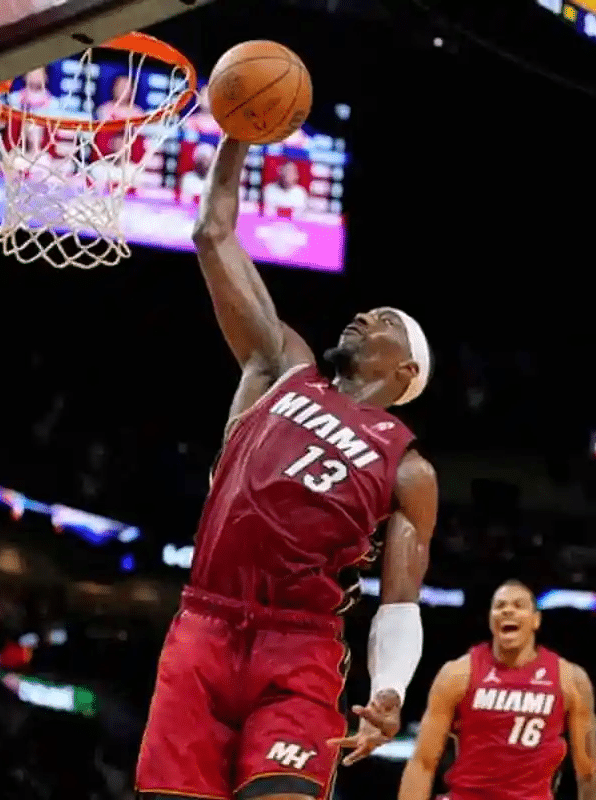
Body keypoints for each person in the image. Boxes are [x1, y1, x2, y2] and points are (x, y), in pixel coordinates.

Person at [134, 134, 439, 800]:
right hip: (205, 623)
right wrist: (238, 135)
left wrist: (389, 690)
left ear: (406, 370)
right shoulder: (281, 367)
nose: (364, 315)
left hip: (299, 648)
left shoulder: (408, 466)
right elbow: (212, 234)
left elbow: (400, 600)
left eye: (384, 320)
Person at [398, 581, 596, 800]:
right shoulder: (457, 674)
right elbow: (422, 763)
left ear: (536, 620)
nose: (508, 610)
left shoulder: (569, 680)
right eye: (499, 606)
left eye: (518, 605)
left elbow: (590, 771)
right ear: (491, 620)